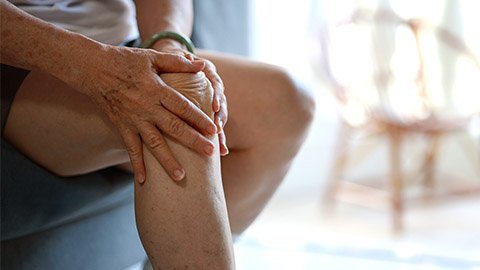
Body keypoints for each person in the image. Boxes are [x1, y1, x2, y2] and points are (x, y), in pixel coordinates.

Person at [0, 0, 315, 269]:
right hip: (27, 63)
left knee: (287, 103)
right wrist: (96, 67)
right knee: (179, 111)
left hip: (125, 49)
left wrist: (169, 50)